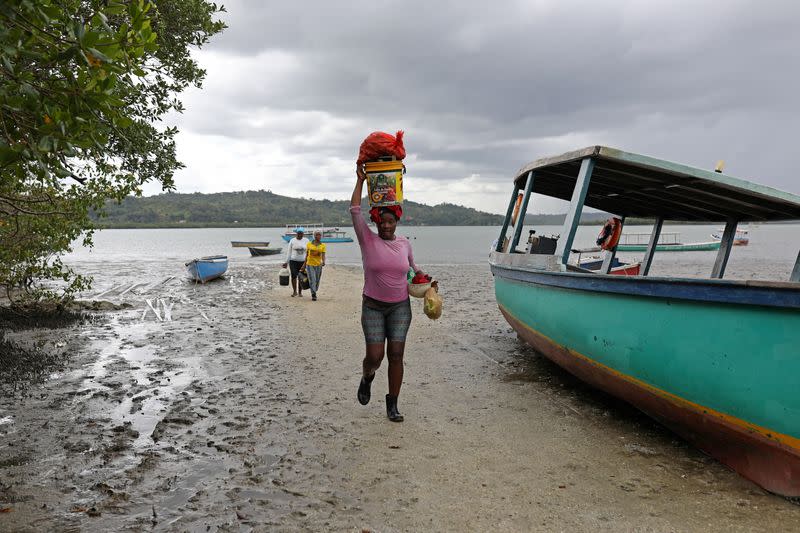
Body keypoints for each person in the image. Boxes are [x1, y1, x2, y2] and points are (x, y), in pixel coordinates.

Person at [350, 165, 427, 422]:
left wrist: (428, 284)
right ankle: (367, 377)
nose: (385, 226)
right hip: (372, 305)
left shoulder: (405, 243)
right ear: (376, 221)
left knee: (396, 355)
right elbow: (354, 210)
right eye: (381, 221)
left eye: (390, 221)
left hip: (400, 307)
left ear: (397, 222)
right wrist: (360, 180)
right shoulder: (367, 239)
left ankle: (392, 405)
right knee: (375, 356)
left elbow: (415, 272)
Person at [282, 227, 309, 297]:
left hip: (303, 262)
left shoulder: (306, 241)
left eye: (301, 233)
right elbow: (289, 252)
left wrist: (308, 262)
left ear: (303, 234)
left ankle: (300, 292)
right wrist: (286, 262)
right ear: (296, 233)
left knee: (301, 277)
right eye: (298, 233)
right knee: (294, 276)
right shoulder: (292, 240)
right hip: (293, 261)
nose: (300, 234)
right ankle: (294, 291)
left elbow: (309, 252)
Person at [301, 230, 326, 301]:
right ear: (314, 236)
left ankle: (314, 290)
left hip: (318, 265)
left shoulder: (323, 245)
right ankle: (313, 294)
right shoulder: (309, 244)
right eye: (317, 235)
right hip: (310, 264)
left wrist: (323, 261)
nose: (319, 236)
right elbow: (307, 255)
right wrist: (304, 265)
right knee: (312, 279)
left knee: (317, 280)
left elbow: (323, 255)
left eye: (320, 235)